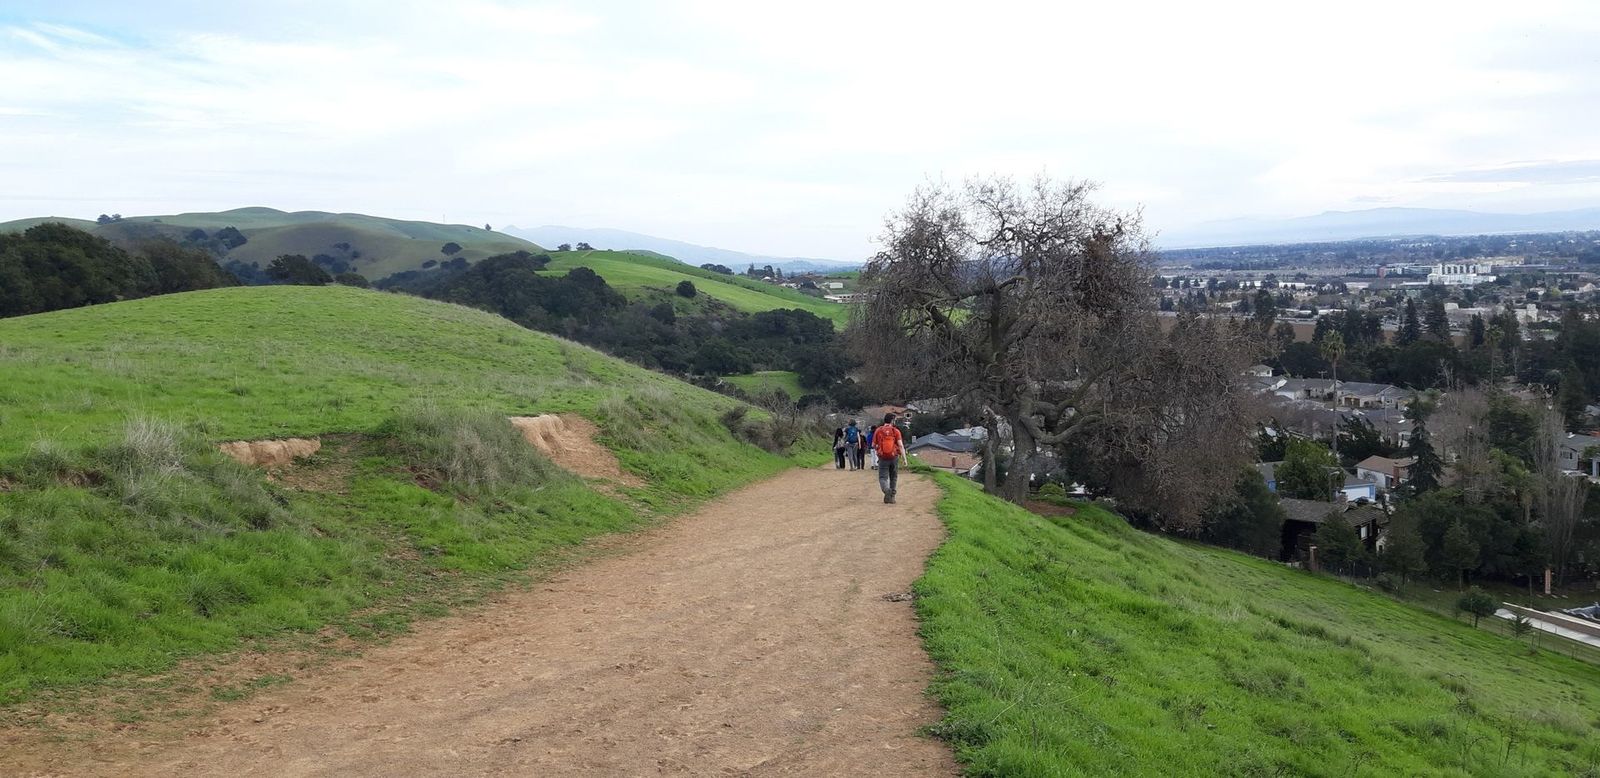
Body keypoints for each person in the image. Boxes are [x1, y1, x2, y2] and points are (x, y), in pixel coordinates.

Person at [874, 412, 906, 503]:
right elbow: (900, 445)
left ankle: (886, 490)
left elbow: (874, 445)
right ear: (892, 421)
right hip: (894, 457)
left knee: (883, 477)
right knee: (893, 477)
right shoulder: (895, 431)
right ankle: (892, 498)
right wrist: (904, 458)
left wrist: (878, 452)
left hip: (883, 457)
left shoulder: (878, 430)